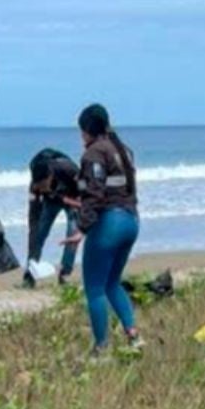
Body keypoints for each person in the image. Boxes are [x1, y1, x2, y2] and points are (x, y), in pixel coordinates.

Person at [61, 104, 143, 356]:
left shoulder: (94, 153)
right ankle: (133, 336)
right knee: (112, 283)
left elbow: (95, 194)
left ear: (87, 130)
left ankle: (101, 348)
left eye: (81, 131)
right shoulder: (123, 149)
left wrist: (81, 229)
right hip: (131, 221)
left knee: (94, 288)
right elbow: (116, 187)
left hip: (110, 224)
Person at [22, 148, 80, 289]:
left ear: (50, 176)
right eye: (38, 187)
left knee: (73, 233)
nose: (41, 190)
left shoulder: (68, 169)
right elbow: (33, 217)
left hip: (73, 198)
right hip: (51, 202)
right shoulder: (35, 187)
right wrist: (34, 234)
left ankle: (64, 274)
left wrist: (75, 203)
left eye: (43, 186)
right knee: (38, 234)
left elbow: (86, 192)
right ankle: (30, 275)